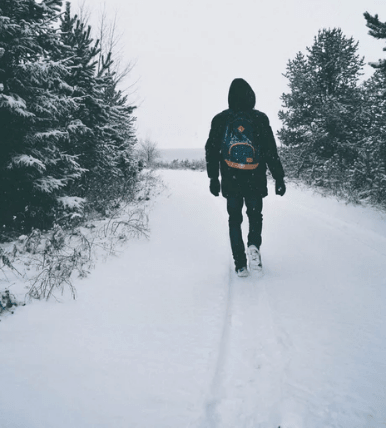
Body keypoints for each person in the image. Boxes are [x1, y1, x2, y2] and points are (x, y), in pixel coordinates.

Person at [205, 78, 286, 277]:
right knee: (255, 215)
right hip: (255, 177)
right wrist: (279, 178)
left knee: (234, 219)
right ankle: (253, 246)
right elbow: (270, 151)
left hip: (231, 178)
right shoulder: (259, 118)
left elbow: (212, 150)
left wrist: (213, 178)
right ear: (251, 96)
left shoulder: (220, 119)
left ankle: (240, 264)